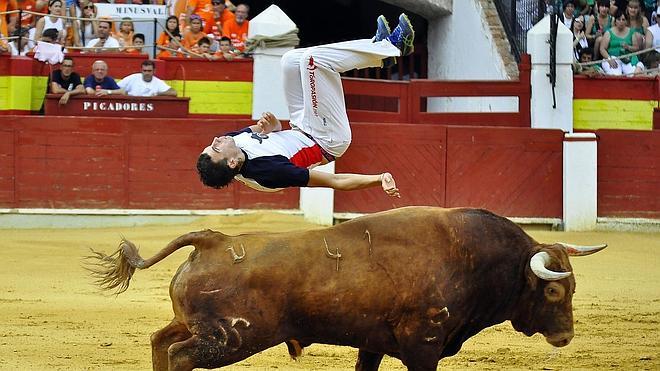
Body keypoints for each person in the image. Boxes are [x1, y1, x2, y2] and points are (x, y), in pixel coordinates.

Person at [196, 13, 415, 197]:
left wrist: (271, 127)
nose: (216, 139)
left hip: (300, 126)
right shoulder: (268, 173)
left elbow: (262, 133)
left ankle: (379, 55)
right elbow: (334, 181)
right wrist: (378, 179)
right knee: (312, 60)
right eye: (215, 147)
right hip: (325, 139)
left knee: (290, 59)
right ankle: (392, 47)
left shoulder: (232, 143)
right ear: (232, 163)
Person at [600, 9, 645, 75]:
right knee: (616, 75)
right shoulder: (609, 32)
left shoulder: (631, 32)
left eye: (623, 19)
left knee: (634, 74)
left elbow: (636, 48)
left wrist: (628, 47)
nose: (621, 22)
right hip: (613, 58)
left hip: (628, 58)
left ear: (626, 21)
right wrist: (609, 59)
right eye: (619, 19)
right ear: (615, 21)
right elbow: (602, 49)